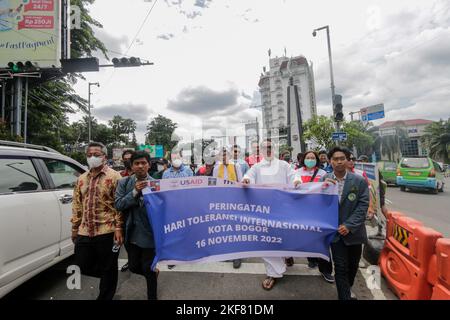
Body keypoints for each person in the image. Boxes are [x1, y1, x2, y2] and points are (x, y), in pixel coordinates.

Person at [71, 142, 124, 300]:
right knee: (82, 263)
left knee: (109, 268)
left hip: (107, 230)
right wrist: (75, 227)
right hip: (85, 230)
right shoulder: (81, 178)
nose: (92, 157)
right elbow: (77, 204)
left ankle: (106, 294)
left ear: (104, 157)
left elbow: (119, 204)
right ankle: (108, 277)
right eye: (89, 155)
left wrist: (119, 228)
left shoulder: (115, 177)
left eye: (96, 154)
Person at [242, 139, 296, 290]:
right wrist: (246, 180)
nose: (268, 150)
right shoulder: (257, 167)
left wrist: (297, 181)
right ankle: (273, 273)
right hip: (264, 211)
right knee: (267, 240)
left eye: (270, 147)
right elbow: (249, 176)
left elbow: (293, 177)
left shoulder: (284, 165)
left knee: (285, 237)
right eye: (264, 148)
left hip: (283, 210)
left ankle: (287, 254)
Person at [321, 147, 369, 300]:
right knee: (340, 267)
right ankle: (345, 296)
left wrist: (349, 225)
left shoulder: (359, 180)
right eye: (335, 159)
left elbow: (363, 205)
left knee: (352, 266)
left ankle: (347, 288)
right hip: (335, 234)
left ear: (348, 160)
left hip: (354, 233)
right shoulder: (325, 179)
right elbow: (318, 204)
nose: (339, 161)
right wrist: (322, 189)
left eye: (342, 158)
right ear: (330, 161)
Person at [115, 151, 158, 300]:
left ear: (149, 165)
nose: (140, 166)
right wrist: (134, 191)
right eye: (137, 163)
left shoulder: (157, 184)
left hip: (150, 233)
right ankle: (153, 272)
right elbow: (119, 204)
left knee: (148, 267)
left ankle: (152, 295)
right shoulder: (123, 183)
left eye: (143, 163)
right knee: (133, 266)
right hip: (131, 233)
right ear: (132, 166)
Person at [293, 151, 335, 283]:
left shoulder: (323, 174)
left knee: (322, 240)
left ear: (317, 160)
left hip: (319, 211)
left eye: (312, 158)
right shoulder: (297, 172)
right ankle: (311, 259)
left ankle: (326, 270)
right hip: (302, 211)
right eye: (308, 158)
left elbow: (327, 191)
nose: (310, 159)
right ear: (303, 159)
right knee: (307, 237)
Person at [213, 147, 243, 269]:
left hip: (235, 201)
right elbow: (213, 184)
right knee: (224, 227)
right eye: (222, 155)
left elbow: (241, 182)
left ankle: (237, 255)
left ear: (230, 156)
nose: (224, 157)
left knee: (235, 228)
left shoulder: (236, 167)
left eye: (226, 155)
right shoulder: (216, 168)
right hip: (221, 202)